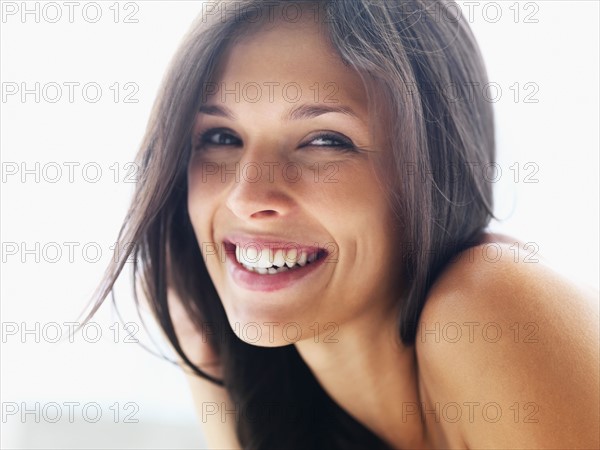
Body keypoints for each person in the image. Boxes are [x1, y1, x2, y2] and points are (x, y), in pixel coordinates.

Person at [88, 1, 599, 448]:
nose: (247, 197)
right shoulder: (217, 340)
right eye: (221, 136)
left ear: (433, 167)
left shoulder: (488, 309)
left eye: (325, 140)